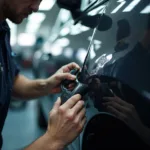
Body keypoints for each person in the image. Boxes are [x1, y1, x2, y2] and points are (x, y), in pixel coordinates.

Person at [0, 0, 86, 149]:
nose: (36, 7)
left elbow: (11, 81)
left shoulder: (3, 28)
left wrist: (46, 85)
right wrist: (53, 139)